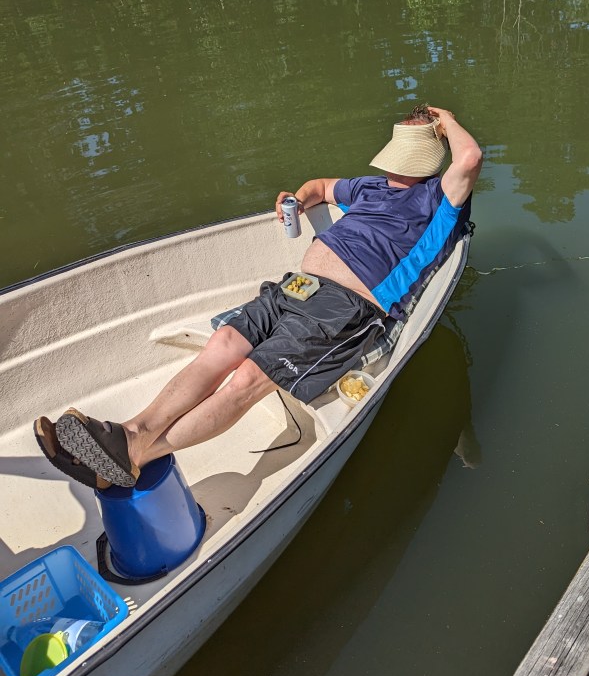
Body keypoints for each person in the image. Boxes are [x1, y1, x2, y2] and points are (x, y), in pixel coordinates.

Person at [35, 105, 482, 490]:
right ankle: (131, 432)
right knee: (224, 343)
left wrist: (446, 119)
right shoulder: (371, 186)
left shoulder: (439, 200)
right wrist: (298, 199)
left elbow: (470, 157)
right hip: (298, 287)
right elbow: (321, 186)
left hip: (345, 309)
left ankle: (135, 456)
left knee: (249, 378)